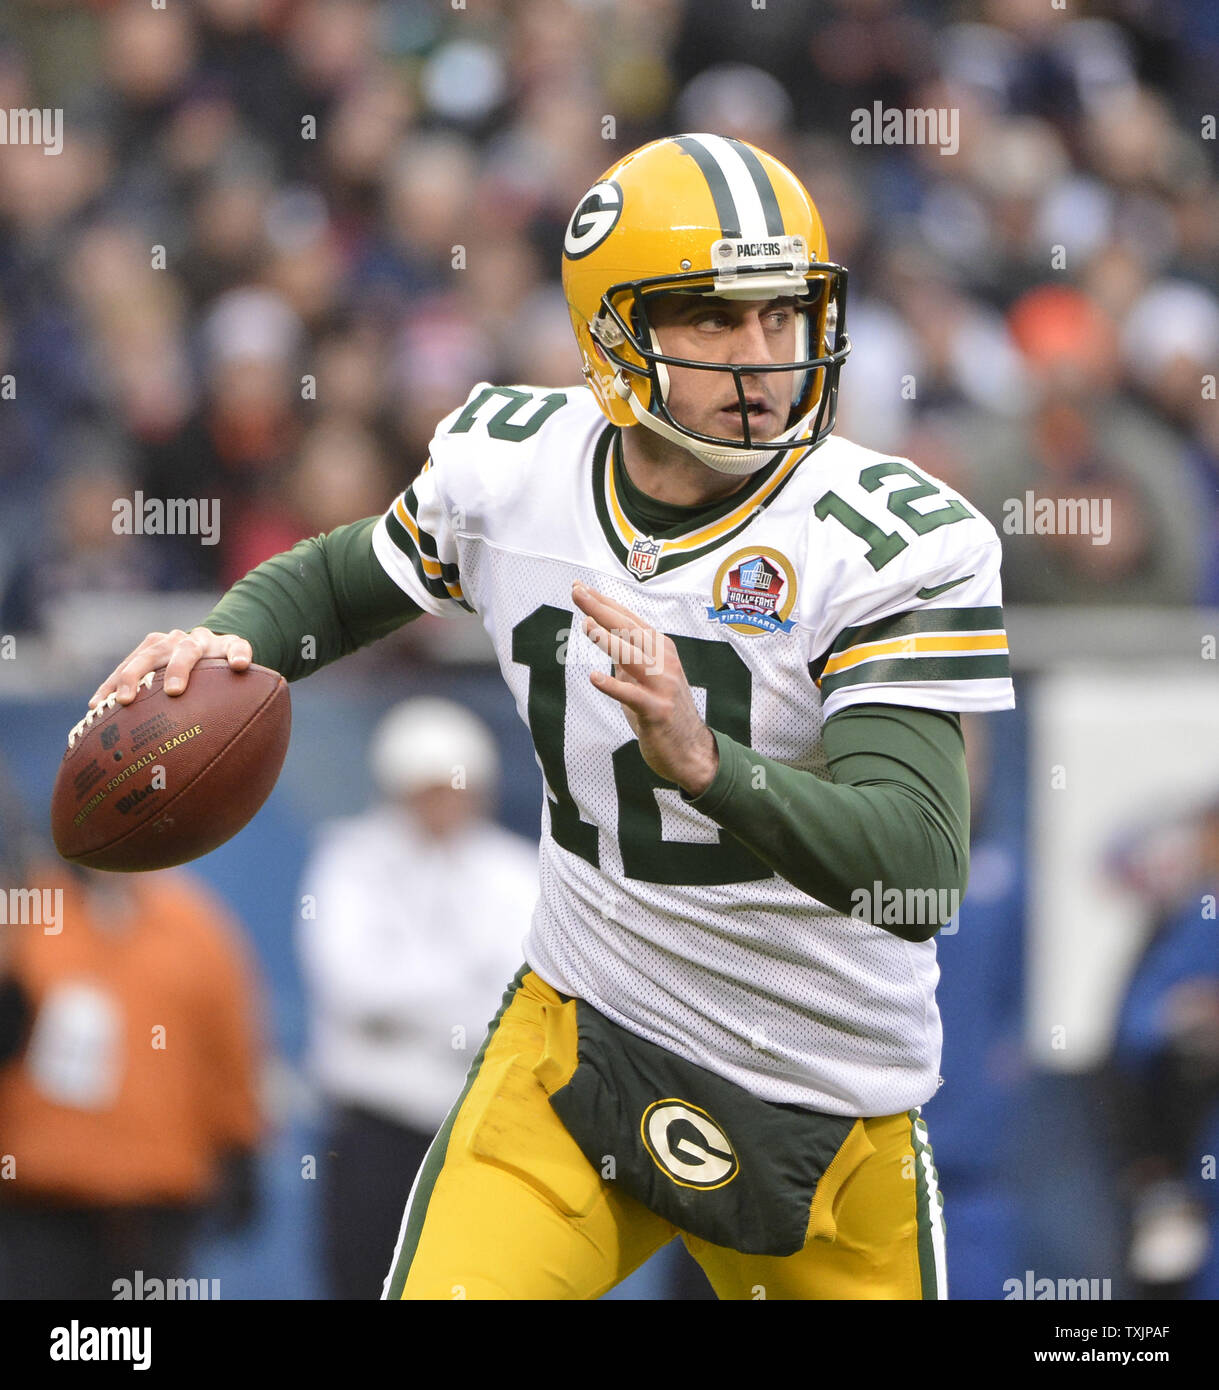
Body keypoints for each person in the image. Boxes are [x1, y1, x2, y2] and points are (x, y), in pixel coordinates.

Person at [89, 133, 1015, 1300]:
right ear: (613, 339)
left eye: (785, 316)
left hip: (825, 1097)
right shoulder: (511, 466)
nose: (764, 357)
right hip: (587, 1040)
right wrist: (227, 641)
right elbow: (338, 583)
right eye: (716, 321)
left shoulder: (891, 542)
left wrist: (707, 764)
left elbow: (922, 866)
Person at [297, 697, 539, 1298]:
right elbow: (353, 986)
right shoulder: (351, 860)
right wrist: (463, 985)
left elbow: (517, 1008)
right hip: (373, 1132)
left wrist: (411, 999)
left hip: (478, 1133)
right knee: (363, 1283)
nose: (443, 802)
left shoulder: (514, 872)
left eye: (454, 787)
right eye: (427, 788)